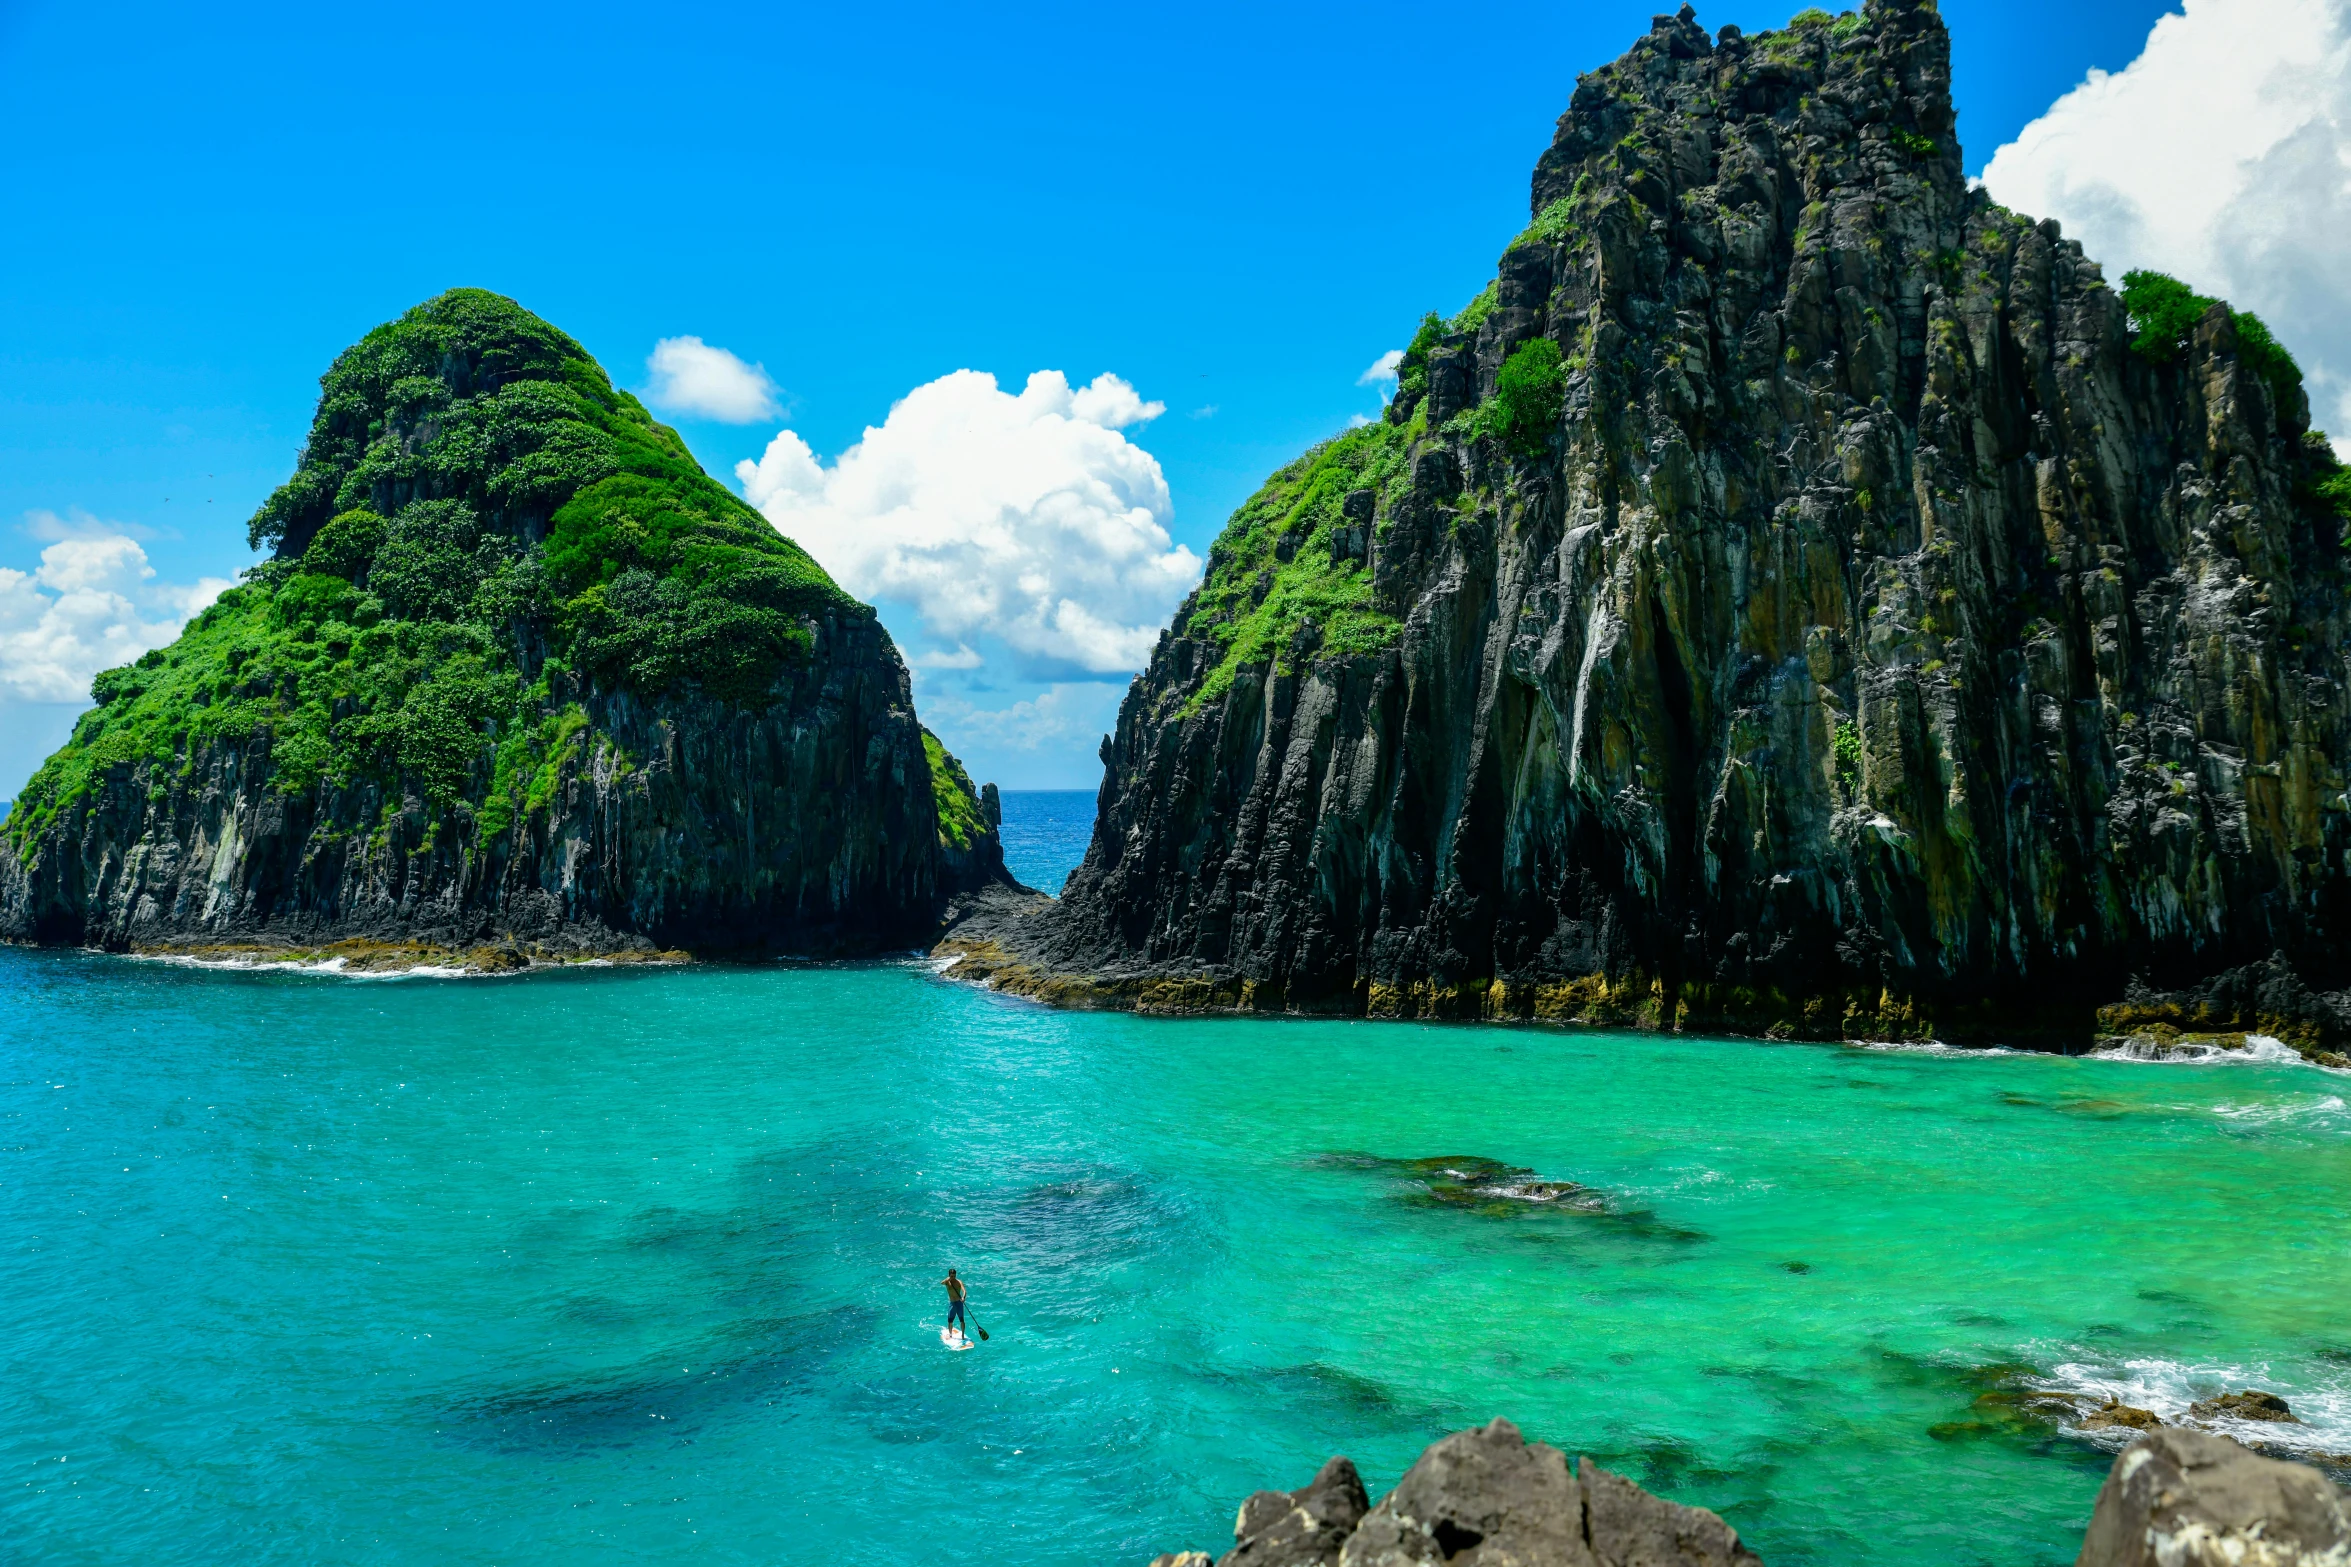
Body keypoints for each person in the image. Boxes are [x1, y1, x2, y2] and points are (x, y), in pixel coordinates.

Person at [941, 1268, 969, 1336]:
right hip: (952, 1303)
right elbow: (941, 1283)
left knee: (962, 1320)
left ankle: (962, 1335)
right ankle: (950, 1334)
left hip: (959, 1303)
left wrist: (963, 1297)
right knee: (950, 1321)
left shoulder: (959, 1282)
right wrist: (947, 1279)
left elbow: (964, 1291)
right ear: (949, 1276)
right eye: (951, 1276)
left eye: (954, 1276)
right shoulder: (947, 1282)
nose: (953, 1278)